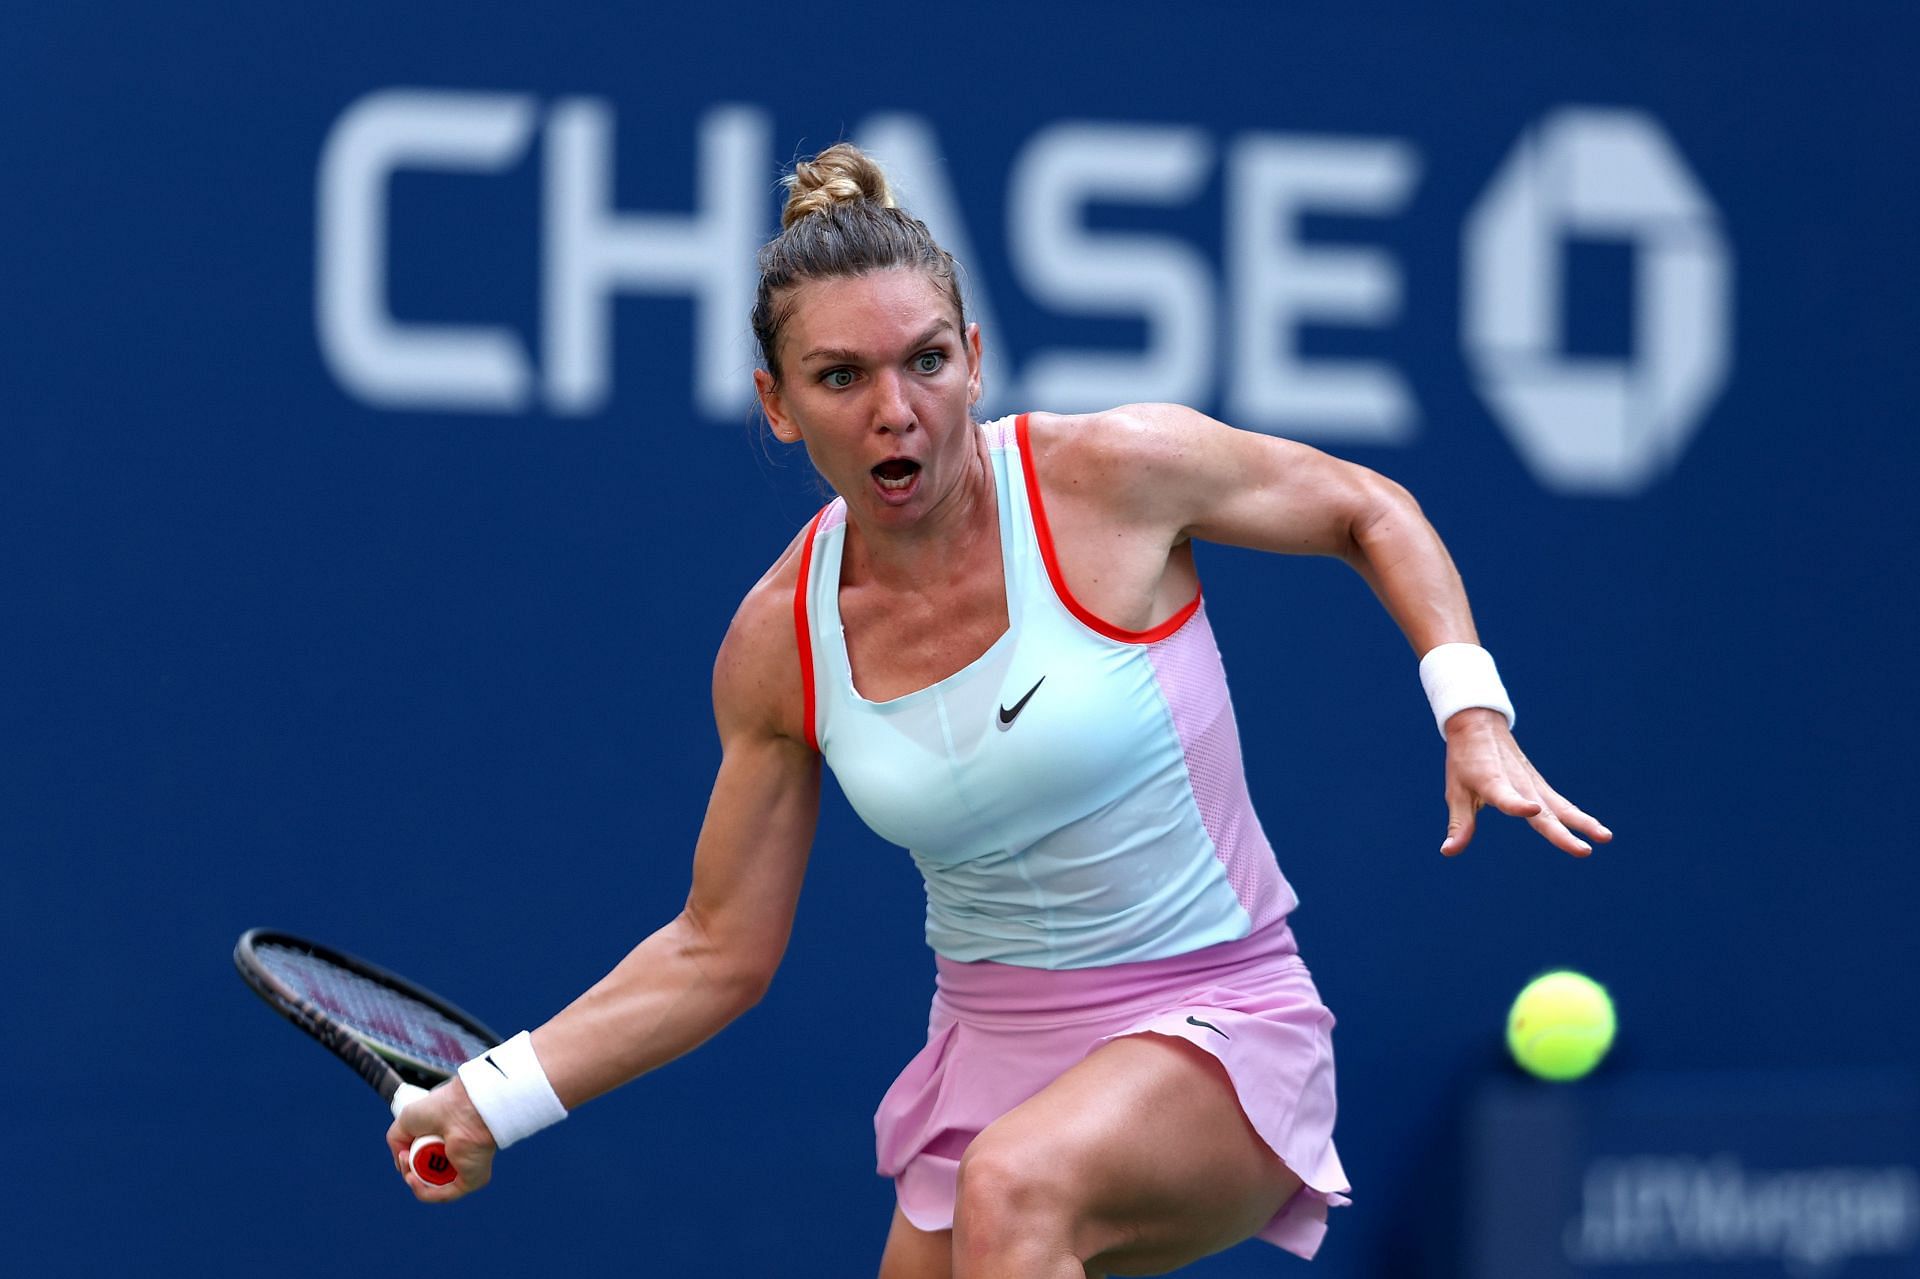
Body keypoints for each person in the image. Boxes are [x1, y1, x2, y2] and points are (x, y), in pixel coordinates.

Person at [387, 143, 1611, 1276]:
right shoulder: (778, 641)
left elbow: (1366, 507)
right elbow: (716, 951)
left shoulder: (1112, 477)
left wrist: (1471, 713)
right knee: (1004, 1176)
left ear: (973, 354)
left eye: (926, 360)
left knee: (1017, 1184)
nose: (896, 408)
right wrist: (492, 1099)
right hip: (987, 1056)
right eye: (840, 377)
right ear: (776, 403)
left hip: (1221, 1027)